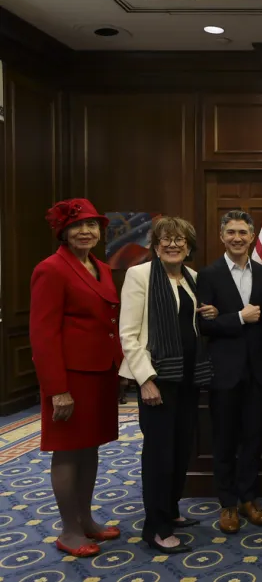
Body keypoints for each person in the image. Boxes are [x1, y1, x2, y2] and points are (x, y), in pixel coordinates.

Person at [30, 198, 123, 558]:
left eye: (92, 225)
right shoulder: (50, 269)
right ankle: (69, 530)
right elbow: (43, 334)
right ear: (63, 232)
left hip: (100, 375)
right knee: (67, 453)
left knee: (90, 449)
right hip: (69, 380)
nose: (86, 231)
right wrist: (57, 390)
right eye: (77, 226)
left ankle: (86, 520)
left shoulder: (101, 267)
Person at [119, 216, 216, 554]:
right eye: (167, 239)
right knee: (159, 455)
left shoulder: (192, 277)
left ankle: (171, 511)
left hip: (189, 378)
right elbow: (129, 335)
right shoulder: (140, 275)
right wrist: (145, 380)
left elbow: (190, 323)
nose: (174, 244)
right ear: (156, 245)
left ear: (189, 246)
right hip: (158, 380)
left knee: (180, 448)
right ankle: (155, 528)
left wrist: (211, 314)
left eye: (180, 240)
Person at [197, 211, 262, 534]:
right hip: (224, 372)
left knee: (253, 438)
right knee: (224, 439)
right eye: (230, 232)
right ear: (221, 236)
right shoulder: (209, 275)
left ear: (252, 235)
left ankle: (248, 498)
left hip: (258, 372)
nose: (236, 238)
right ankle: (227, 503)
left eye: (242, 232)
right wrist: (239, 318)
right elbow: (203, 323)